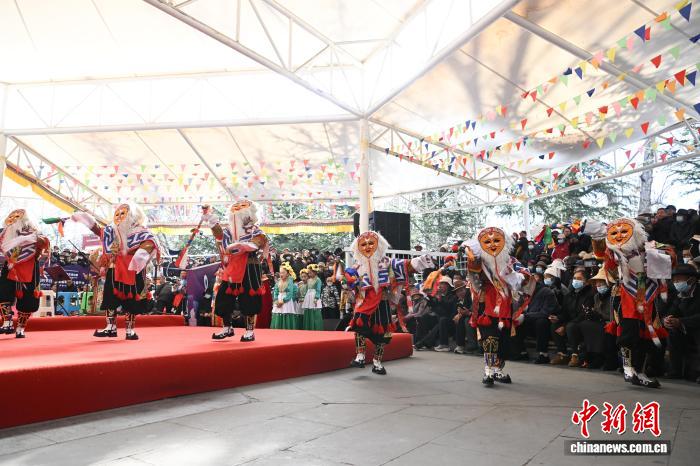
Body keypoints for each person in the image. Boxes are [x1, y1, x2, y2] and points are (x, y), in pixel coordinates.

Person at [345, 231, 433, 375]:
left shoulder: (387, 262)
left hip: (382, 304)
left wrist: (421, 260)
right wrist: (349, 282)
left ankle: (377, 363)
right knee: (359, 328)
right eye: (363, 244)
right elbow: (350, 284)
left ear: (379, 245)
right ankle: (360, 356)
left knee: (383, 335)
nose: (367, 247)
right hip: (364, 304)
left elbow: (406, 265)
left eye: (371, 243)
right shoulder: (357, 267)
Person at [70, 203, 158, 340]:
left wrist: (141, 254)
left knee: (132, 301)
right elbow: (98, 231)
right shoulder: (111, 231)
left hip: (133, 270)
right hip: (114, 268)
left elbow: (150, 243)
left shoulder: (142, 231)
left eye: (123, 213)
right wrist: (85, 218)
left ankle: (130, 330)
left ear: (133, 215)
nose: (119, 217)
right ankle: (110, 327)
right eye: (117, 214)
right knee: (110, 298)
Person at [605, 217, 673, 388]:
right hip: (627, 297)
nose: (620, 235)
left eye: (624, 231)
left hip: (648, 297)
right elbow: (610, 270)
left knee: (647, 337)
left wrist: (659, 253)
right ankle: (628, 367)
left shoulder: (651, 246)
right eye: (616, 232)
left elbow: (671, 256)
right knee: (628, 334)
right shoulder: (616, 252)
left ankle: (640, 372)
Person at [200, 201, 270, 341]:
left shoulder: (255, 230)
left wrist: (244, 245)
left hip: (249, 267)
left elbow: (258, 242)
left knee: (249, 298)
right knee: (223, 297)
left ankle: (249, 331)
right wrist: (212, 221)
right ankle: (227, 327)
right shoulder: (229, 231)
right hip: (232, 267)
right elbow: (219, 235)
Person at [465, 226, 522, 386]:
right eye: (487, 242)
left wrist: (515, 277)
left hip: (506, 305)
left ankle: (498, 370)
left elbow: (525, 277)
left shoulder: (512, 261)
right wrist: (472, 260)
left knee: (504, 341)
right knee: (490, 339)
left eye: (497, 240)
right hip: (487, 304)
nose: (492, 245)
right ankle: (488, 370)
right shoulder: (480, 262)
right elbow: (473, 279)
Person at [0, 209, 50, 338]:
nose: (13, 220)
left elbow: (44, 244)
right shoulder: (5, 233)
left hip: (30, 268)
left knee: (29, 301)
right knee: (3, 294)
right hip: (11, 267)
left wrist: (32, 239)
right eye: (12, 218)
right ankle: (7, 321)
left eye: (17, 218)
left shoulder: (34, 232)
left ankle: (21, 327)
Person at [663, 264, 700, 381]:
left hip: (696, 329)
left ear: (691, 280)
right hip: (686, 329)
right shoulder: (679, 295)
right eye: (674, 280)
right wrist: (667, 320)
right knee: (672, 333)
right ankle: (675, 370)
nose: (676, 282)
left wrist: (681, 321)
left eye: (679, 279)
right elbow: (672, 311)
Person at [550, 269, 595, 367]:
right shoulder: (569, 295)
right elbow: (565, 313)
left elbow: (584, 314)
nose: (576, 281)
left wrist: (564, 326)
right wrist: (558, 318)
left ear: (586, 281)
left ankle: (576, 355)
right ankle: (562, 354)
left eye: (579, 278)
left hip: (583, 322)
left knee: (570, 326)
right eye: (574, 278)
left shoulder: (590, 295)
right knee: (555, 325)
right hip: (571, 322)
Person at [513, 274, 559, 363]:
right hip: (530, 320)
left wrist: (525, 316)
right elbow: (520, 308)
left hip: (546, 321)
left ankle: (543, 354)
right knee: (514, 320)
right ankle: (521, 351)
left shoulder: (546, 292)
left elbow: (545, 313)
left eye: (524, 283)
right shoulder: (526, 293)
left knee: (541, 322)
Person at [578, 267, 613, 369]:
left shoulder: (613, 296)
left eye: (601, 283)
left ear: (608, 284)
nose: (598, 286)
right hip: (599, 322)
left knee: (598, 328)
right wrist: (591, 313)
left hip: (610, 322)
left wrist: (600, 316)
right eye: (597, 284)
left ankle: (601, 358)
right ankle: (591, 356)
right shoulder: (596, 296)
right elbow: (596, 310)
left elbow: (612, 314)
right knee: (585, 324)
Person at [271, 263, 300, 330]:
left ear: (287, 274)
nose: (281, 274)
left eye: (283, 273)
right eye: (280, 273)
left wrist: (283, 301)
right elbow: (276, 291)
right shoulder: (278, 281)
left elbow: (290, 293)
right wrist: (276, 300)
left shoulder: (290, 281)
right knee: (278, 313)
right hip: (278, 300)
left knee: (286, 313)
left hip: (286, 301)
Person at [452, 278, 477, 354]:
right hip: (466, 317)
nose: (460, 293)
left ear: (465, 289)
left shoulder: (471, 296)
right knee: (457, 319)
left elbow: (474, 309)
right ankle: (460, 345)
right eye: (457, 291)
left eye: (461, 290)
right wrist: (458, 314)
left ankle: (471, 345)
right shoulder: (456, 300)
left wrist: (467, 313)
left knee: (466, 320)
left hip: (476, 316)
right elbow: (455, 312)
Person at [301, 264, 323, 330]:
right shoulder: (309, 280)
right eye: (309, 273)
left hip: (314, 296)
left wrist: (316, 298)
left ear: (315, 272)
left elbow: (318, 290)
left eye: (310, 273)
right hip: (308, 296)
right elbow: (306, 289)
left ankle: (315, 327)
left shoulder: (318, 280)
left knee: (314, 311)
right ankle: (309, 327)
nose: (309, 274)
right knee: (308, 310)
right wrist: (303, 297)